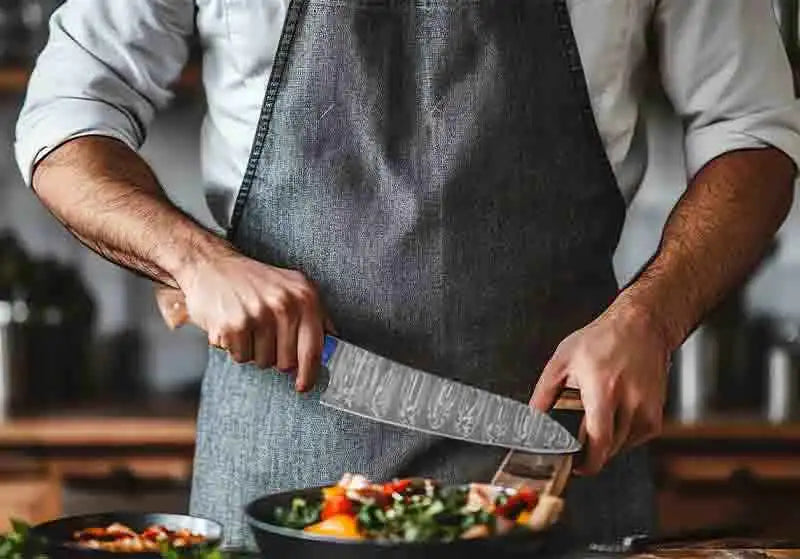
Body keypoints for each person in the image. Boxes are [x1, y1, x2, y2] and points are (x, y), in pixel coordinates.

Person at [15, 0, 800, 548]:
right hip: (282, 476)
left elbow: (755, 134)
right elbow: (67, 119)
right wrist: (195, 258)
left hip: (556, 465)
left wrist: (651, 319)